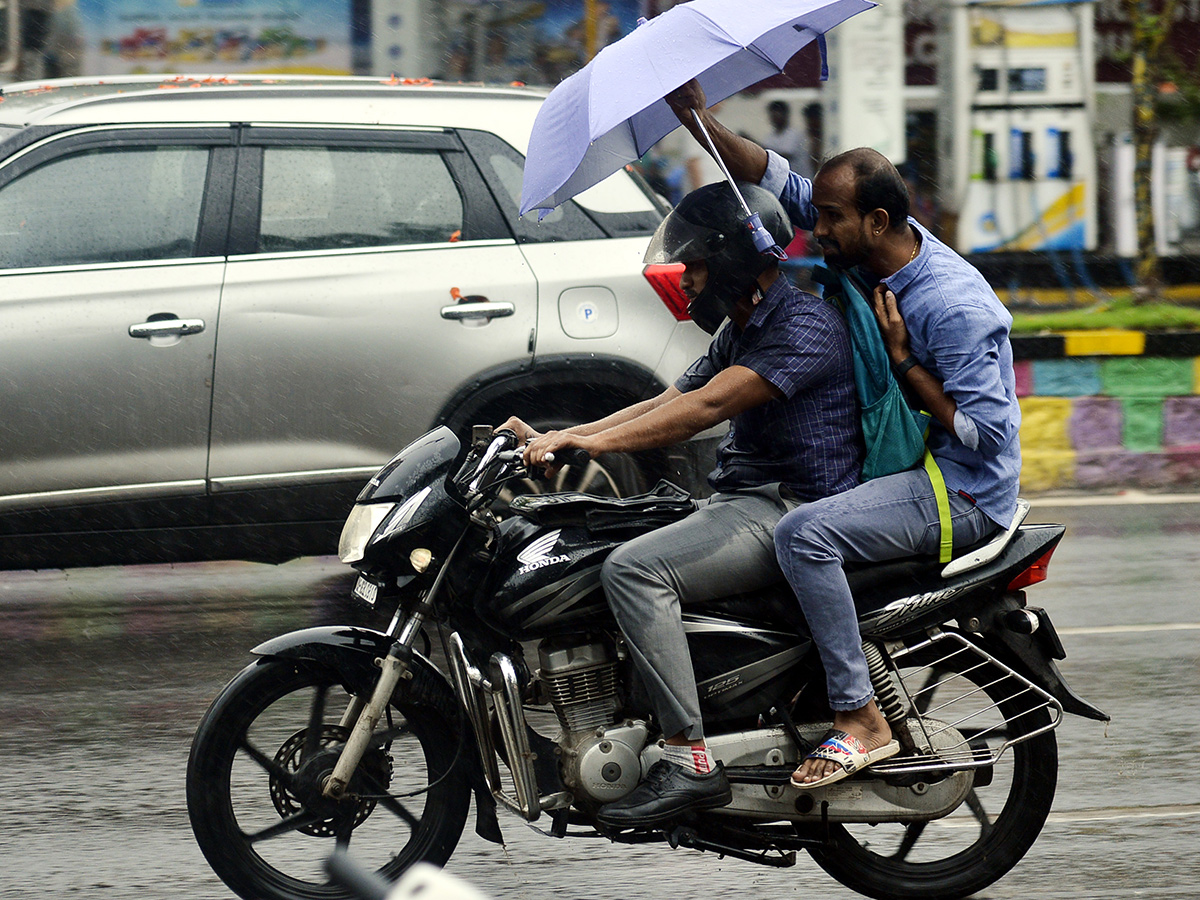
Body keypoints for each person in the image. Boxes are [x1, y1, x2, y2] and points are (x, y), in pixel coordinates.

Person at [666, 80, 1021, 790]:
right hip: (906, 461)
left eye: (830, 219)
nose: (816, 230)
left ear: (877, 219)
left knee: (805, 534)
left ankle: (860, 717)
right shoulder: (867, 248)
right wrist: (695, 117)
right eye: (819, 216)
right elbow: (771, 177)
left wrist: (906, 363)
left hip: (962, 489)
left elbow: (986, 436)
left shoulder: (949, 305)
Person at [500, 181, 863, 826]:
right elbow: (667, 400)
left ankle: (687, 757)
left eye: (693, 264)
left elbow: (702, 411)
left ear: (726, 259)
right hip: (741, 500)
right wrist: (563, 435)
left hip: (789, 508)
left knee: (636, 570)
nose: (684, 279)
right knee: (595, 545)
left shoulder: (802, 327)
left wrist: (584, 444)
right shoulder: (742, 329)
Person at [762, 99, 815, 180]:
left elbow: (785, 155)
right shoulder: (770, 137)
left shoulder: (794, 134)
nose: (775, 118)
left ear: (786, 115)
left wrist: (755, 144)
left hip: (802, 179)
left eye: (778, 114)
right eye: (773, 115)